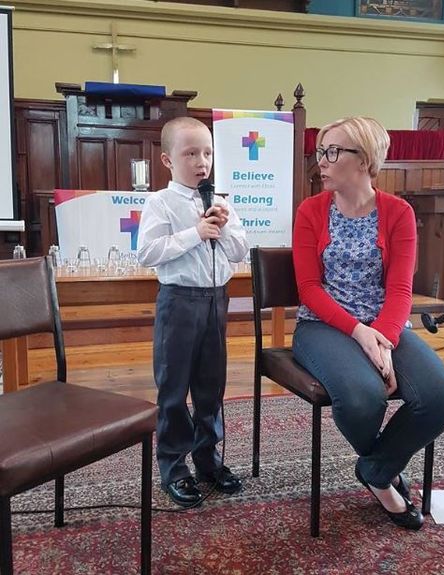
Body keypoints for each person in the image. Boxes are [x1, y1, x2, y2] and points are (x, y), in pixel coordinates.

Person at [292, 116, 444, 530]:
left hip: (386, 325)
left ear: (365, 159)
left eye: (334, 152)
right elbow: (310, 289)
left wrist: (383, 340)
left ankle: (375, 470)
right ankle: (385, 474)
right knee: (363, 397)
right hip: (323, 325)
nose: (323, 161)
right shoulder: (311, 211)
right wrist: (361, 335)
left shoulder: (398, 212)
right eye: (322, 152)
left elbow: (401, 289)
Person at [137, 116, 249, 507]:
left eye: (207, 153)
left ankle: (207, 459)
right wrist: (194, 234)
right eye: (190, 153)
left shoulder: (220, 202)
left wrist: (225, 225)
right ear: (168, 160)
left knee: (210, 387)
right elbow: (147, 254)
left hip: (217, 300)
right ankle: (173, 466)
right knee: (173, 388)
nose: (202, 161)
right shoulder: (160, 202)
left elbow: (238, 252)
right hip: (179, 302)